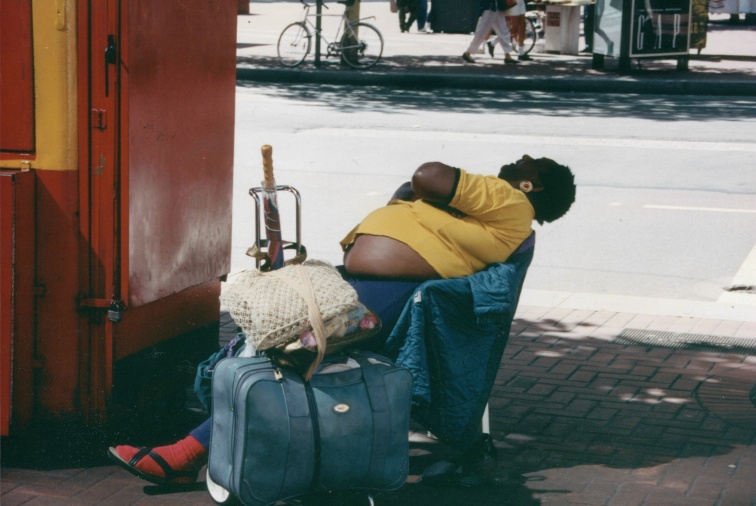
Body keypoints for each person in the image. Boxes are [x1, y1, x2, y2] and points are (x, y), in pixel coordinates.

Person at [107, 154, 576, 487]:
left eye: (530, 164)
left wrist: (441, 190)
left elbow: (426, 175)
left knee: (289, 356)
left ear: (531, 186)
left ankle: (187, 454)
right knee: (279, 351)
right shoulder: (500, 216)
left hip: (388, 295)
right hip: (376, 288)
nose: (521, 158)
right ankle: (202, 449)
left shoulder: (510, 202)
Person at [463, 0, 521, 65]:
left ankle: (507, 55)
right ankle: (468, 52)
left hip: (497, 6)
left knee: (503, 30)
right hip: (490, 6)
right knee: (482, 31)